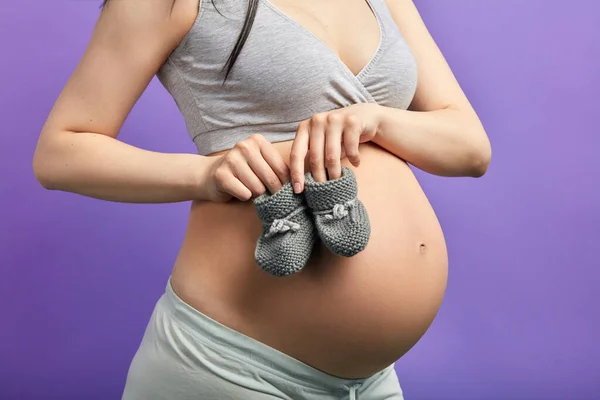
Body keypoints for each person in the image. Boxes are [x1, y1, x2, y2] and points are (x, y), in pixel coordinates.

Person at [33, 0, 491, 398]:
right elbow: (58, 153)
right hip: (231, 370)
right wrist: (206, 174)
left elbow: (470, 148)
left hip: (368, 381)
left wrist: (378, 121)